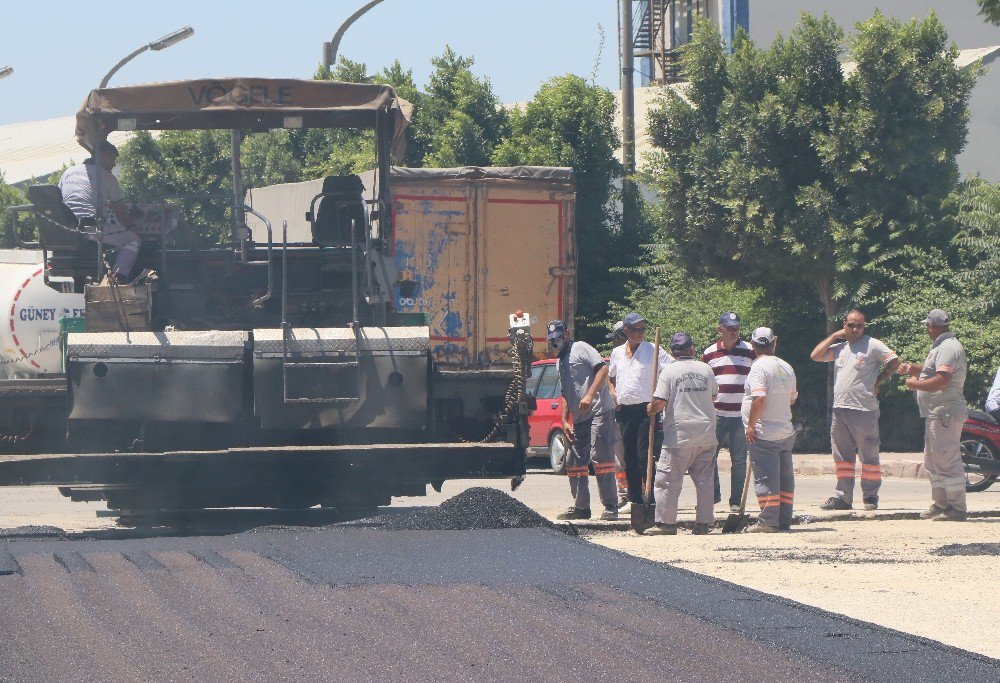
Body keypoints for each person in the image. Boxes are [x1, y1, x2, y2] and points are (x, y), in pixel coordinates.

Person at [810, 310, 899, 511]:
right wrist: (834, 336)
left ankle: (870, 497)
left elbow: (894, 361)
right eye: (851, 325)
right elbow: (815, 356)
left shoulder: (872, 344)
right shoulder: (840, 347)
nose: (855, 329)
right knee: (842, 457)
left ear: (864, 326)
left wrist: (879, 380)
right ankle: (843, 498)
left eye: (859, 325)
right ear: (844, 324)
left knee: (869, 456)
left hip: (864, 409)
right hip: (840, 409)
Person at [646, 333, 718, 536]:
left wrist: (650, 409)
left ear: (672, 352)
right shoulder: (706, 369)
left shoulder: (669, 371)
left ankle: (666, 524)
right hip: (705, 432)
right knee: (704, 481)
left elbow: (659, 403)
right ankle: (703, 523)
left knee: (667, 480)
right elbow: (714, 395)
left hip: (680, 434)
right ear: (692, 349)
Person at [899, 310, 969, 522]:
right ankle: (942, 504)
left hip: (945, 412)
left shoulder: (948, 347)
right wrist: (913, 369)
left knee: (947, 459)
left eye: (927, 325)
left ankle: (957, 508)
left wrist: (915, 385)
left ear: (933, 326)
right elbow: (932, 371)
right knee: (933, 460)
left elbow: (942, 379)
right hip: (936, 413)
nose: (927, 329)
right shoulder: (940, 346)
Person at [547, 320, 619, 521]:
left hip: (599, 411)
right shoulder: (559, 362)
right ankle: (581, 507)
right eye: (552, 340)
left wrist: (589, 394)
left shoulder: (581, 348)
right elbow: (565, 393)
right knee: (574, 460)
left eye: (559, 338)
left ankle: (611, 506)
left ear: (567, 334)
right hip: (579, 418)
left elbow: (602, 369)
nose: (556, 343)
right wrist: (565, 420)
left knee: (600, 456)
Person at [609, 313, 672, 508]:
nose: (640, 333)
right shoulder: (617, 352)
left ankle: (651, 497)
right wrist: (613, 393)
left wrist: (659, 397)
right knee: (629, 456)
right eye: (636, 329)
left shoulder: (653, 349)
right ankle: (635, 498)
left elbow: (670, 371)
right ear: (626, 330)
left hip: (647, 409)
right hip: (625, 409)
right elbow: (610, 377)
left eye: (643, 329)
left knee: (644, 455)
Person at [58, 140, 141, 282]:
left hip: (64, 232)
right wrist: (133, 226)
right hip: (89, 234)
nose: (114, 164)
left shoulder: (68, 172)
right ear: (102, 156)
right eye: (113, 159)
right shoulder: (108, 177)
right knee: (133, 239)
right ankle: (117, 277)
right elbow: (121, 214)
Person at [742, 327, 798, 533]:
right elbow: (792, 399)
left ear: (753, 344)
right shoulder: (786, 367)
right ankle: (784, 520)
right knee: (784, 479)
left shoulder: (758, 368)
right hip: (785, 430)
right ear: (774, 343)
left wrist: (750, 425)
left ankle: (768, 522)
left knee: (766, 477)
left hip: (764, 431)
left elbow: (760, 397)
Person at [702, 312, 755, 512]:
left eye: (736, 327)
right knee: (709, 457)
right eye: (729, 327)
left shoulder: (750, 351)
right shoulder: (709, 353)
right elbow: (705, 382)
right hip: (716, 414)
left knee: (740, 460)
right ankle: (714, 495)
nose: (733, 331)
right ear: (720, 329)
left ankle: (735, 502)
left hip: (741, 416)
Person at [606, 320, 631, 508]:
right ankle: (624, 494)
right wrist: (614, 394)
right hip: (619, 414)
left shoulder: (643, 355)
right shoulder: (617, 356)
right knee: (619, 459)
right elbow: (610, 379)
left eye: (614, 338)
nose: (613, 342)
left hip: (636, 415)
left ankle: (636, 495)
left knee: (630, 457)